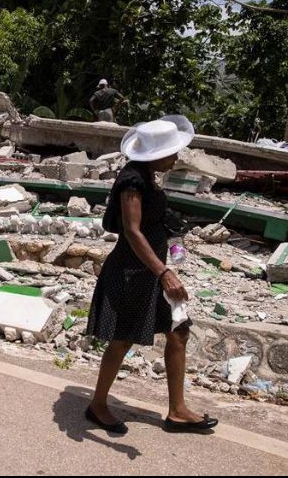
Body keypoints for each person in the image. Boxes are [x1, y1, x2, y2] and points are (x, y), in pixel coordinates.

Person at [84, 115, 218, 434]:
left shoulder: (147, 177)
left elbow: (148, 222)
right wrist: (163, 273)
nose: (176, 157)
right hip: (133, 272)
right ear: (154, 154)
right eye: (172, 152)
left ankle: (178, 411)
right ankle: (98, 405)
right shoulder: (132, 180)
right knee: (123, 338)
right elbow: (131, 231)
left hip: (152, 269)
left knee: (179, 330)